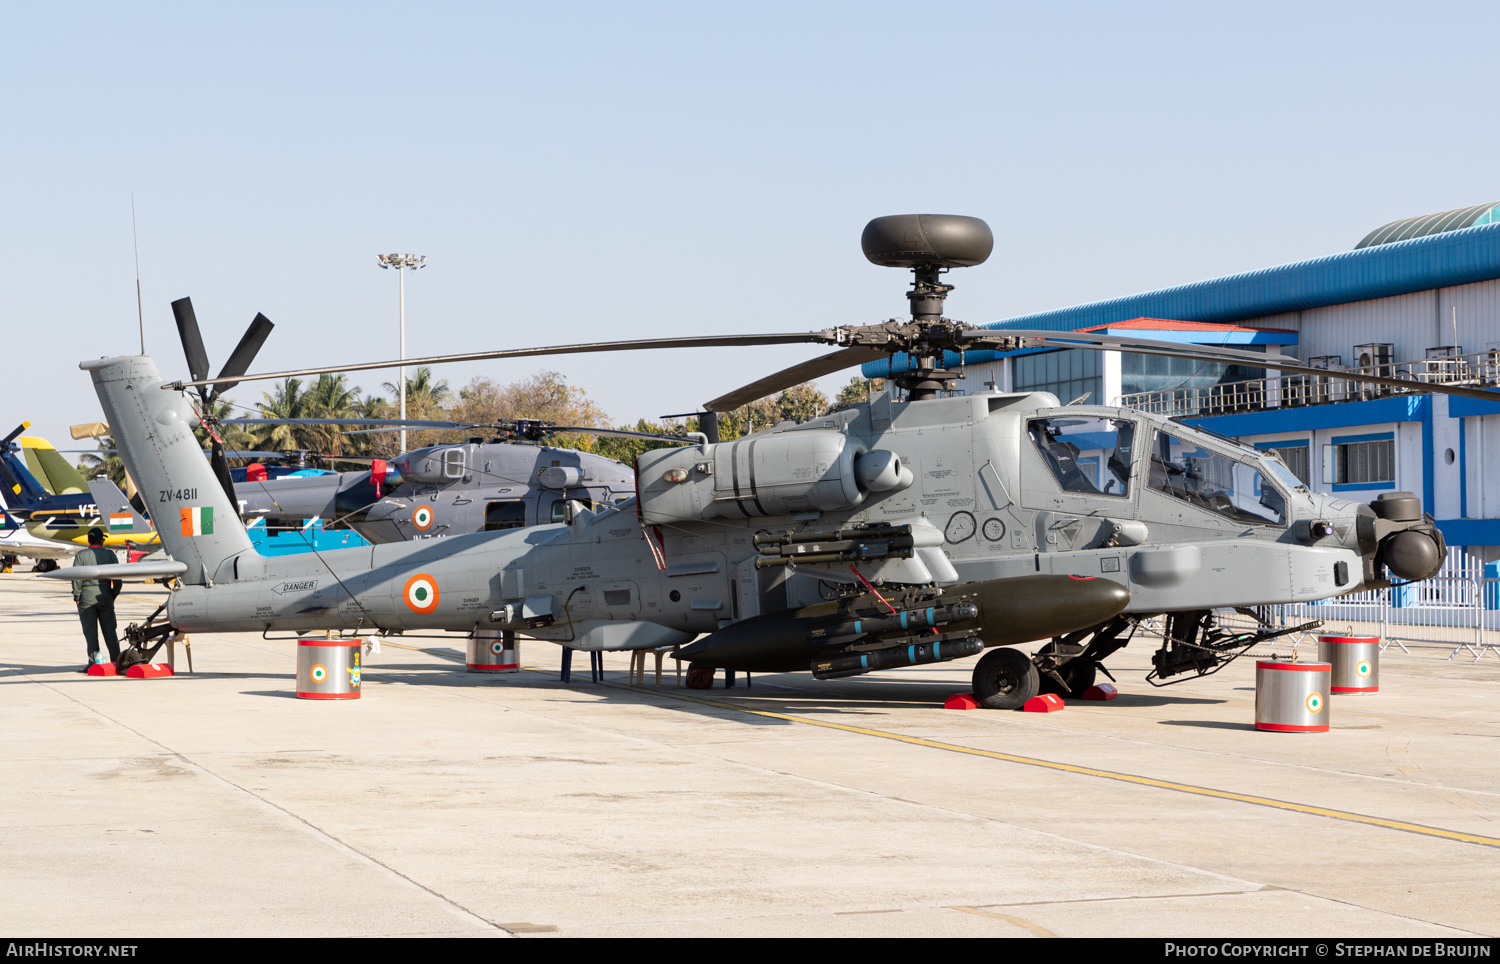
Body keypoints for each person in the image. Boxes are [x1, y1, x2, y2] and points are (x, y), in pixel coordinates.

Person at [73, 527, 122, 671]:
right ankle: (117, 661)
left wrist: (77, 595)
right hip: (105, 595)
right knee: (110, 632)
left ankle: (94, 663)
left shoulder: (80, 555)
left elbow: (77, 577)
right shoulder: (110, 555)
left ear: (89, 540)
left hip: (86, 598)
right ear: (101, 540)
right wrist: (113, 594)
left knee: (90, 632)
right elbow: (118, 577)